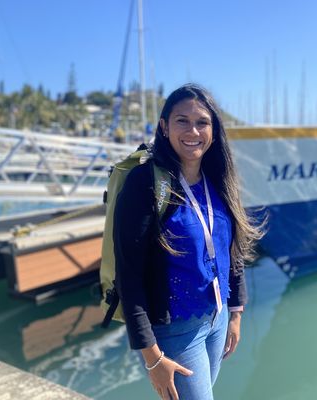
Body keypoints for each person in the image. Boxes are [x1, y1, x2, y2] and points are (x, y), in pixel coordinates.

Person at [113, 84, 263, 400]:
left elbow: (230, 250)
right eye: (182, 121)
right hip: (176, 331)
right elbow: (129, 275)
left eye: (202, 122)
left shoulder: (219, 178)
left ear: (214, 130)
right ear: (165, 127)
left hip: (218, 319)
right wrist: (153, 359)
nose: (193, 130)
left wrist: (235, 313)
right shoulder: (145, 184)